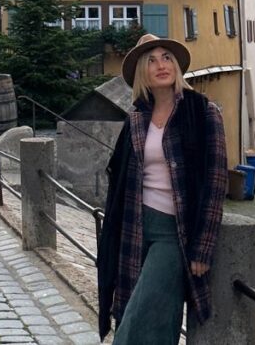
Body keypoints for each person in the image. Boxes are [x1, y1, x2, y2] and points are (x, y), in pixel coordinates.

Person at [97, 33, 228, 344]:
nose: (161, 65)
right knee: (156, 317)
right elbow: (122, 179)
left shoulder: (202, 112)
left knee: (136, 321)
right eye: (151, 60)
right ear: (143, 72)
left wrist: (203, 246)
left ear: (177, 67)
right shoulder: (136, 118)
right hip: (136, 227)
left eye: (166, 58)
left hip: (174, 233)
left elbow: (216, 182)